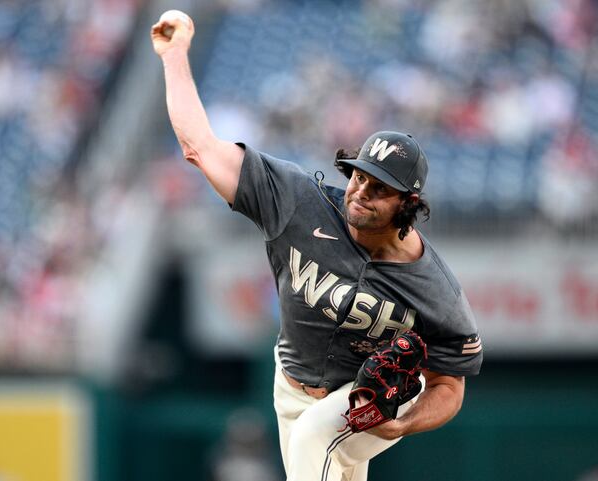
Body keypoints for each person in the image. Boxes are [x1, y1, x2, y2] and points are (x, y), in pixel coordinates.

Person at [151, 11, 482, 481]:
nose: (360, 193)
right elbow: (198, 146)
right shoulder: (296, 200)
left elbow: (450, 384)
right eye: (359, 177)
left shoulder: (436, 289)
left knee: (314, 441)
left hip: (367, 397)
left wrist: (405, 421)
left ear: (408, 204)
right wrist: (175, 55)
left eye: (379, 188)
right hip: (289, 385)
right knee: (319, 455)